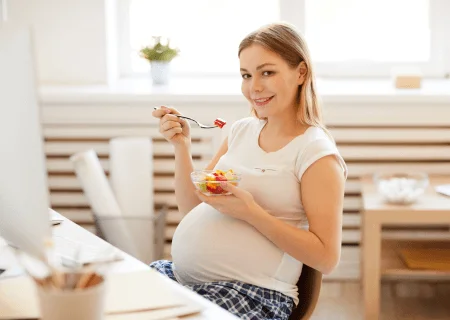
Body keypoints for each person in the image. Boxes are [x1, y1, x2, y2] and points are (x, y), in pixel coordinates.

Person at [150, 22, 347, 320]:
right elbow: (192, 209)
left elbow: (326, 258)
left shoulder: (316, 153)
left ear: (301, 73)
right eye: (246, 75)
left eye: (267, 72)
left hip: (253, 294)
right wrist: (182, 147)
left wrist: (251, 212)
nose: (254, 87)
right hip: (184, 278)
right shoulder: (240, 131)